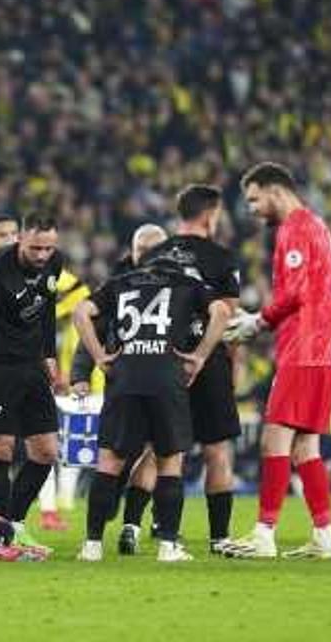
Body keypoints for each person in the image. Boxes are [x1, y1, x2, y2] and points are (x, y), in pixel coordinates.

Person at [73, 229, 230, 562]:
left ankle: (92, 545)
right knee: (168, 461)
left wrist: (99, 356)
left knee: (110, 462)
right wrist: (200, 356)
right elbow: (223, 312)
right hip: (166, 377)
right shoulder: (187, 284)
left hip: (124, 377)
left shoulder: (120, 283)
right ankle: (168, 546)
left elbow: (80, 313)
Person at [223, 163, 331, 560]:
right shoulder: (317, 225)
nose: (252, 209)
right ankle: (325, 536)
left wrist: (257, 322)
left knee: (274, 439)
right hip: (330, 345)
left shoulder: (294, 228)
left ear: (275, 191)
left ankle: (264, 534)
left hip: (307, 346)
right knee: (305, 447)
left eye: (254, 200)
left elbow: (295, 292)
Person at [118, 185, 243, 555]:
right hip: (205, 359)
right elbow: (228, 316)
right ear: (210, 214)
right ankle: (219, 538)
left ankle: (130, 527)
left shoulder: (154, 254)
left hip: (160, 359)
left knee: (158, 449)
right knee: (217, 450)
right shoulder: (221, 257)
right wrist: (209, 356)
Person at [0, 214, 66, 548]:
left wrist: (49, 355)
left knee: (47, 451)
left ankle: (14, 523)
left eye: (48, 248)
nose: (42, 255)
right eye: (36, 248)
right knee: (1, 445)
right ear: (21, 239)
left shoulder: (54, 262)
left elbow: (47, 311)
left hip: (32, 364)